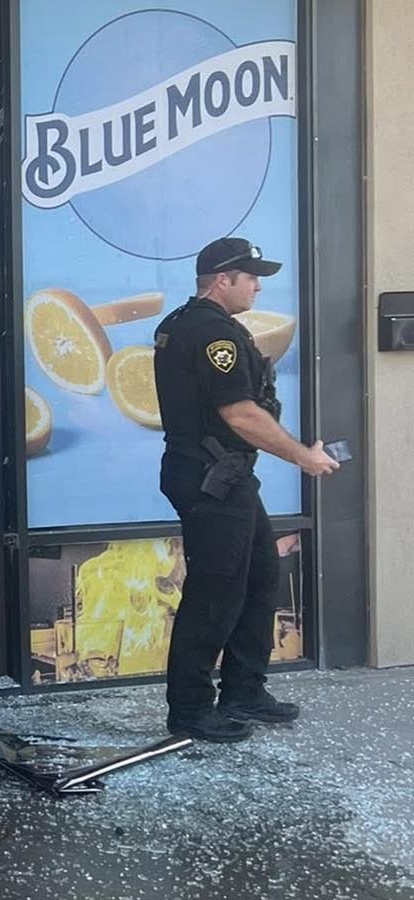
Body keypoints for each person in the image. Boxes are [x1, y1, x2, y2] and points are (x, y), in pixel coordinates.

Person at [152, 237, 339, 742]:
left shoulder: (186, 324)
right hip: (212, 479)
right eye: (250, 275)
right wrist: (304, 456)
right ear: (221, 280)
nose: (258, 284)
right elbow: (240, 413)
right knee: (215, 592)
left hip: (222, 474)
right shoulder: (213, 335)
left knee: (260, 574)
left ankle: (244, 691)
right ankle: (191, 710)